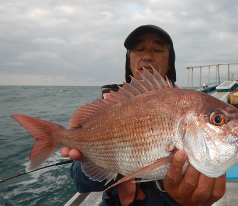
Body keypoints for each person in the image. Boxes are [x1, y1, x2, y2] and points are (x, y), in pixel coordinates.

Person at [61, 25, 226, 206]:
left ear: (170, 62)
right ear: (129, 60)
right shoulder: (104, 107)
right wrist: (95, 158)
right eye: (139, 49)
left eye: (157, 49)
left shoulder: (190, 107)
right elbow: (79, 181)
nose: (147, 56)